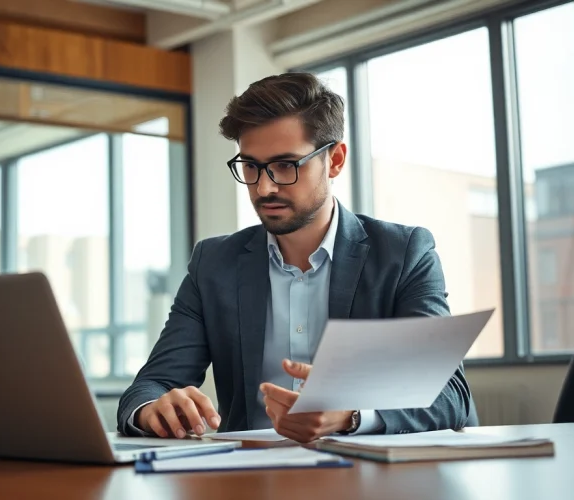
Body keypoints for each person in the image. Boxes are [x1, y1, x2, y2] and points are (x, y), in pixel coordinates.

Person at [116, 72, 473, 443]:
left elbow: (449, 395)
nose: (263, 186)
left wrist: (349, 415)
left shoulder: (403, 254)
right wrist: (152, 409)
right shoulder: (213, 264)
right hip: (248, 477)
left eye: (286, 165)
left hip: (367, 478)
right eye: (251, 166)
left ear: (334, 160)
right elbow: (151, 385)